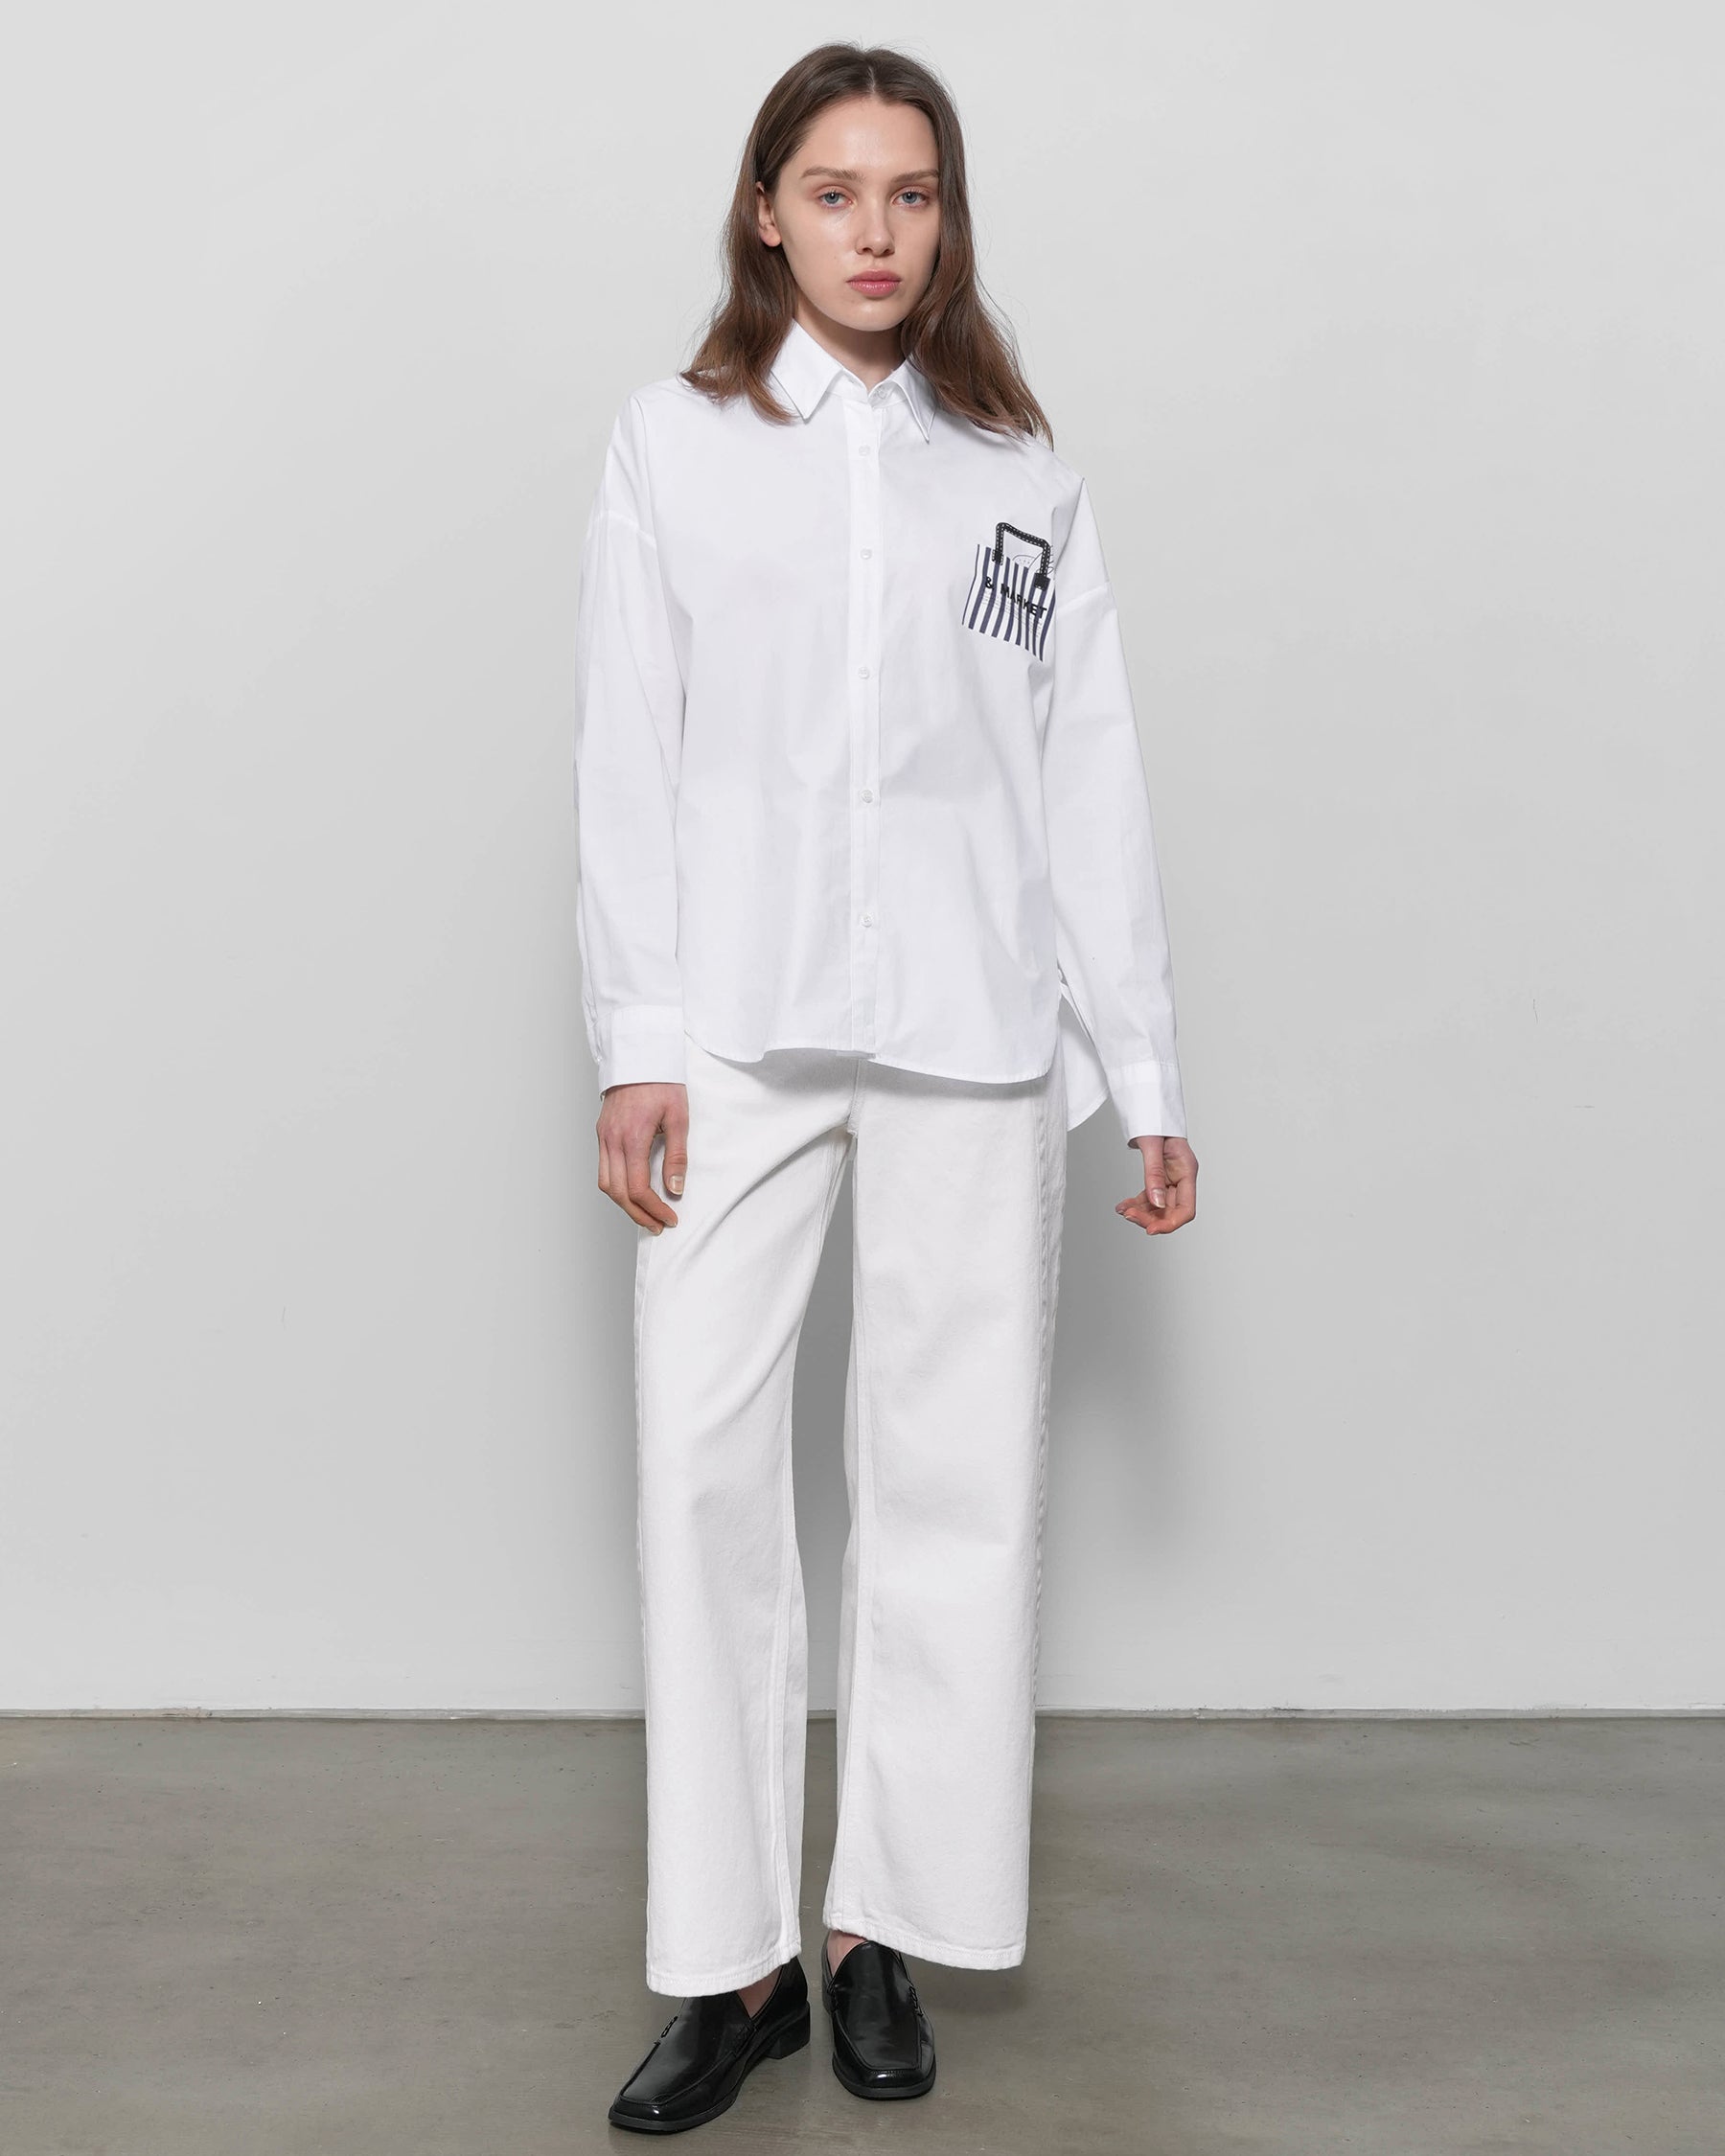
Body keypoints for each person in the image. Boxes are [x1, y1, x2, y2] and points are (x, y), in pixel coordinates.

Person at [572, 40, 1199, 2135]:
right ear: (767, 210)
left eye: (910, 194)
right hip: (737, 1035)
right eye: (833, 191)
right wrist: (639, 1040)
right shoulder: (673, 445)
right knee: (703, 1475)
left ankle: (875, 1935)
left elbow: (1085, 775)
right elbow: (627, 749)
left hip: (973, 1034)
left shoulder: (1016, 470)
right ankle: (730, 1959)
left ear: (948, 218)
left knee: (953, 1486)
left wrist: (1144, 1061)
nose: (873, 231)